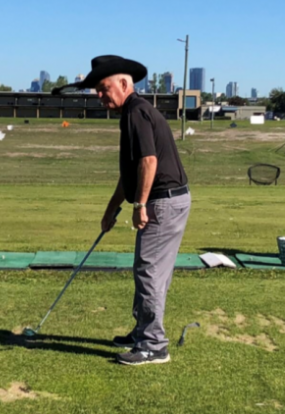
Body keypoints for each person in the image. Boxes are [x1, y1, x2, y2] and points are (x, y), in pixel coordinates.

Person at [54, 55, 191, 366]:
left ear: (125, 84)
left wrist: (140, 204)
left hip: (162, 200)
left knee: (149, 271)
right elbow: (130, 173)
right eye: (98, 91)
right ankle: (144, 331)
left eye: (104, 89)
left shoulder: (136, 112)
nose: (100, 96)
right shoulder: (133, 112)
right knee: (152, 270)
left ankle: (153, 345)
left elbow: (148, 162)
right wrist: (111, 208)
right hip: (170, 199)